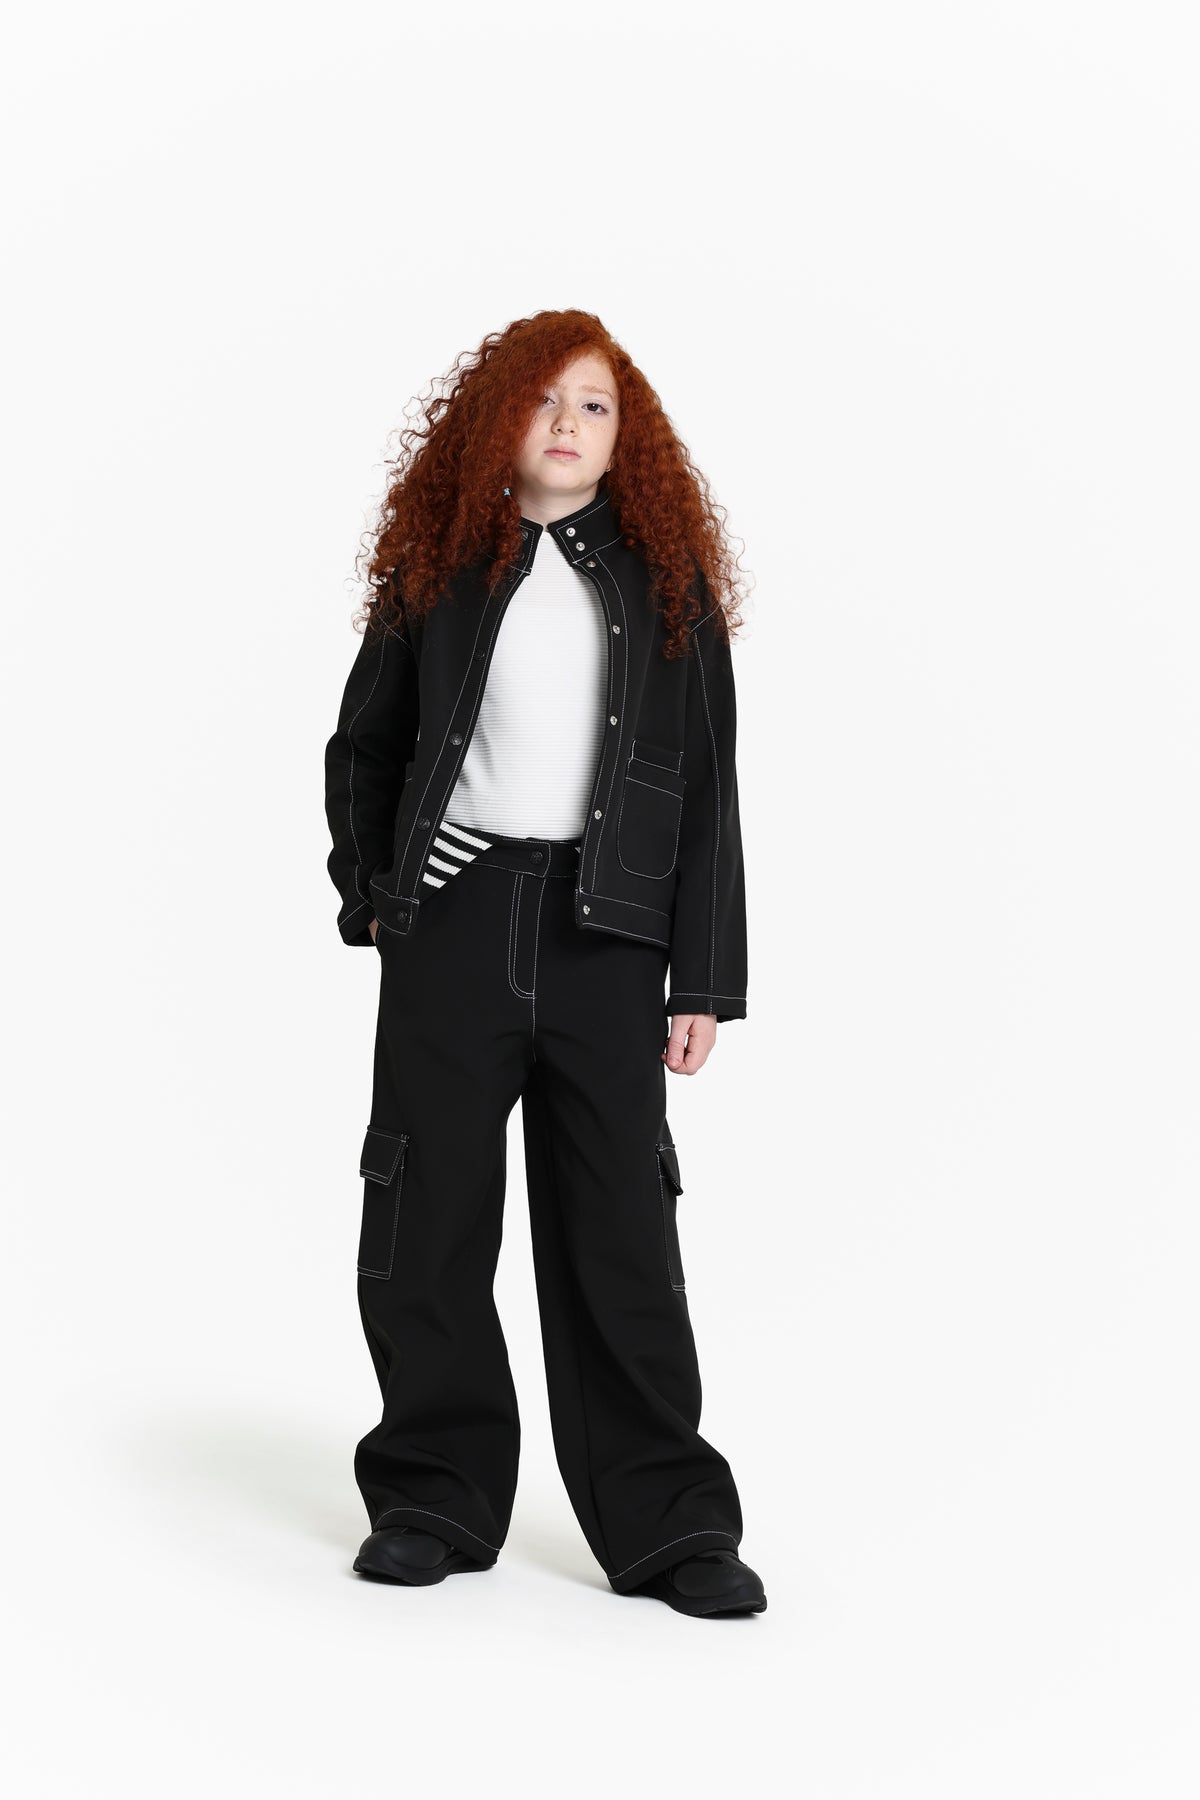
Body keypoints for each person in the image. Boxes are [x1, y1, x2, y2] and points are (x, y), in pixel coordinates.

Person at [323, 308, 766, 1617]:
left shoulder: (665, 582)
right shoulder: (439, 567)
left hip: (608, 935)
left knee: (621, 1226)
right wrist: (380, 897)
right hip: (456, 925)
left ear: (628, 441)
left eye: (595, 406)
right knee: (428, 1215)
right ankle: (433, 1494)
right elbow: (366, 747)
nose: (567, 423)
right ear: (497, 421)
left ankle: (669, 1522)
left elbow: (708, 784)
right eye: (543, 399)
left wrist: (701, 978)